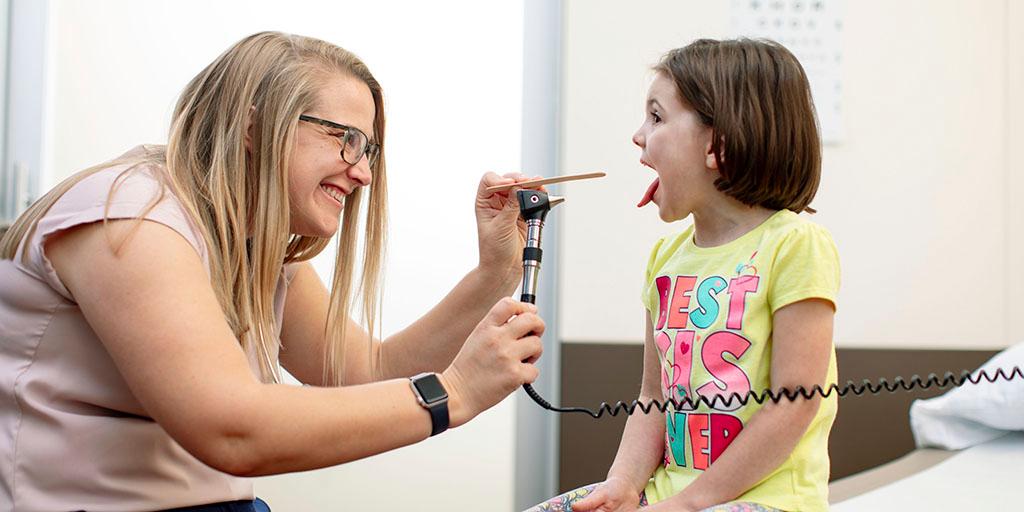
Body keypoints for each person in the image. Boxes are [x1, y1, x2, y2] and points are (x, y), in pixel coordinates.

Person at [0, 31, 545, 511]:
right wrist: (451, 394)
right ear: (252, 127)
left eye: (371, 149)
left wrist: (494, 270)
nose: (363, 174)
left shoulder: (249, 244)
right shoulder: (132, 214)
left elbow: (366, 371)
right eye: (345, 138)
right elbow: (233, 430)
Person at [529, 38, 840, 512]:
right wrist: (623, 485)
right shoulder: (665, 258)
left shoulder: (795, 246)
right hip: (671, 497)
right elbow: (652, 398)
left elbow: (794, 403)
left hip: (767, 501)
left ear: (719, 144)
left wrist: (690, 503)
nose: (638, 136)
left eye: (656, 117)